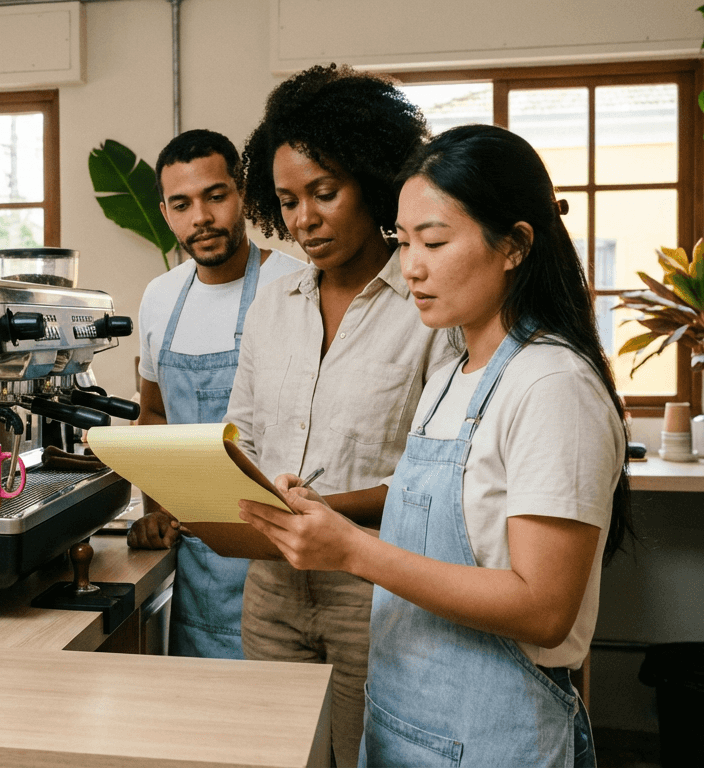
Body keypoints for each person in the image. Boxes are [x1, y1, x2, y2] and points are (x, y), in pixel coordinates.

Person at [239, 124, 634, 767]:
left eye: (435, 241)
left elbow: (543, 607)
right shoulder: (455, 372)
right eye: (403, 241)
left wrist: (353, 551)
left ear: (515, 244)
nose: (410, 265)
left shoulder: (553, 384)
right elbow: (444, 496)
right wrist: (323, 510)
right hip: (404, 726)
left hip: (490, 741)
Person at [226, 65, 456, 766]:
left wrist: (323, 510)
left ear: (375, 181)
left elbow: (438, 478)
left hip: (378, 592)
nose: (304, 219)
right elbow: (244, 435)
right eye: (289, 199)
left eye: (325, 193)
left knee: (369, 756)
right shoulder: (274, 302)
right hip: (271, 588)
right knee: (275, 755)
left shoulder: (430, 311)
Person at [128, 128, 305, 659]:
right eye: (181, 204)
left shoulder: (297, 286)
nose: (200, 217)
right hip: (197, 558)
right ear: (165, 212)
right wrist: (154, 511)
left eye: (215, 196)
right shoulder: (160, 298)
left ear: (244, 193)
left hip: (279, 552)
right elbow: (154, 413)